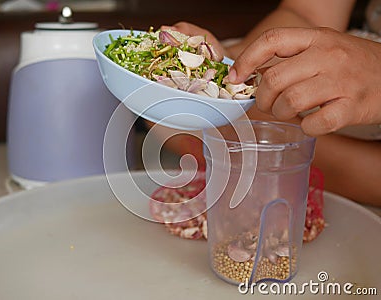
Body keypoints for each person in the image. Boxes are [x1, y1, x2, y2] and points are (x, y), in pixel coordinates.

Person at [150, 0, 381, 206]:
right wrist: (230, 66)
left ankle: (269, 157)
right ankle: (276, 155)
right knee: (167, 113)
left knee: (202, 124)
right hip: (354, 53)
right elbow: (307, 13)